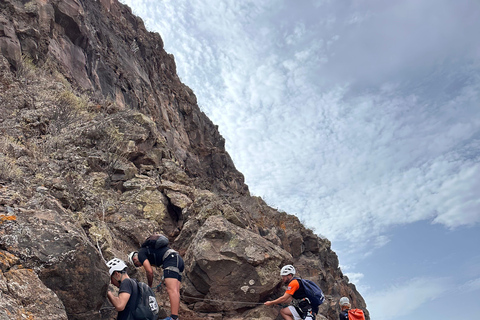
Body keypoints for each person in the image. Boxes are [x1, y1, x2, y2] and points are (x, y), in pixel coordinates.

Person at [128, 236, 184, 320]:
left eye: (136, 264)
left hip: (170, 260)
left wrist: (149, 286)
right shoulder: (149, 251)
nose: (139, 266)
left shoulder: (141, 254)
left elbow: (149, 271)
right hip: (178, 259)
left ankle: (173, 317)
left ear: (134, 259)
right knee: (176, 290)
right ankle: (175, 316)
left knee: (171, 290)